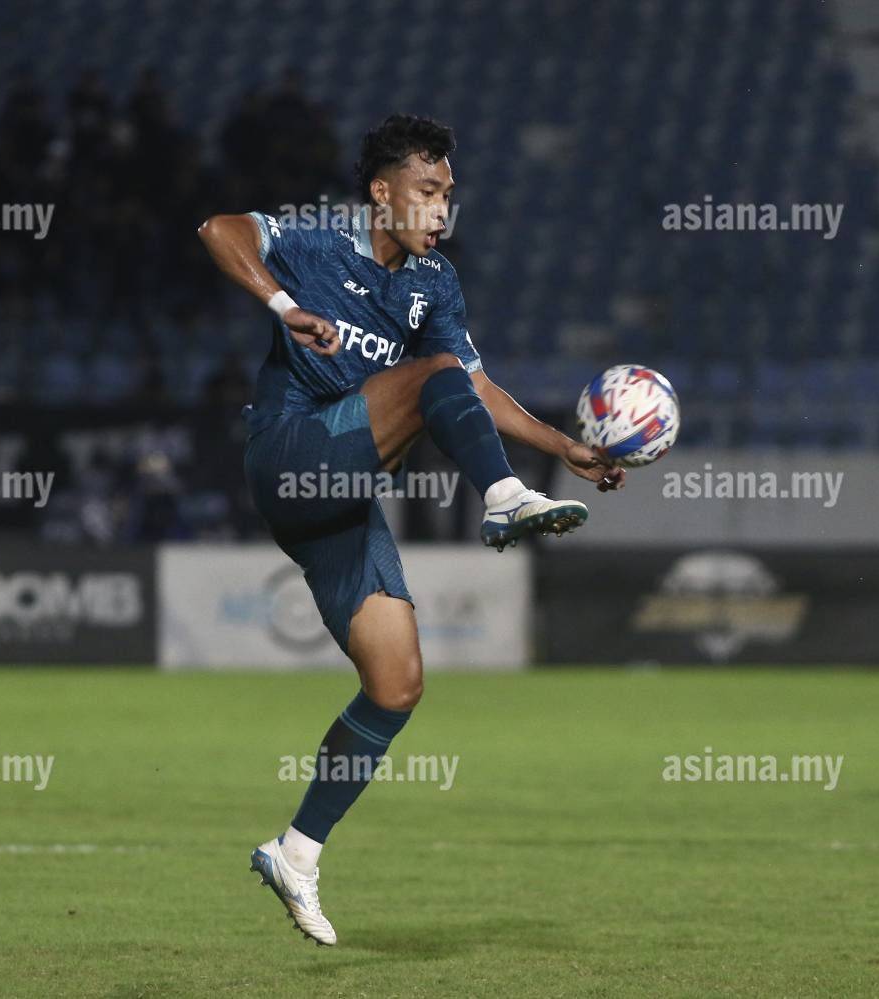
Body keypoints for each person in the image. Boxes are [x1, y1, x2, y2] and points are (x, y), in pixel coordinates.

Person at [196, 114, 624, 945]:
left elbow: (471, 386)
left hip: (344, 496)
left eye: (447, 195)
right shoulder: (317, 240)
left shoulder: (433, 283)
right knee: (431, 373)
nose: (440, 210)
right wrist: (282, 304)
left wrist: (561, 445)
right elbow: (218, 229)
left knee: (396, 684)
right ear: (381, 191)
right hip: (288, 452)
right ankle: (502, 497)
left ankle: (295, 851)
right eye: (427, 192)